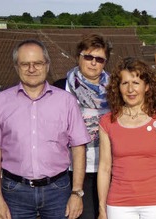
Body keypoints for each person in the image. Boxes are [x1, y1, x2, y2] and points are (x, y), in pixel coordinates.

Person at [0, 39, 91, 219]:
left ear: (47, 65)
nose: (32, 69)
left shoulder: (66, 101)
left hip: (58, 191)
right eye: (25, 64)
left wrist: (77, 193)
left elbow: (79, 148)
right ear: (16, 67)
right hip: (14, 192)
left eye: (38, 63)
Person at [97, 57, 156, 219]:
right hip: (118, 204)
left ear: (147, 86)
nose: (130, 89)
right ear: (117, 88)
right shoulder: (107, 122)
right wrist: (102, 209)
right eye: (124, 83)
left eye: (135, 83)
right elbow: (105, 168)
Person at [53, 33, 112, 219]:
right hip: (72, 170)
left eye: (99, 59)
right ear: (79, 56)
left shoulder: (115, 89)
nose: (93, 63)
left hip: (108, 167)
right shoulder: (61, 87)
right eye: (88, 57)